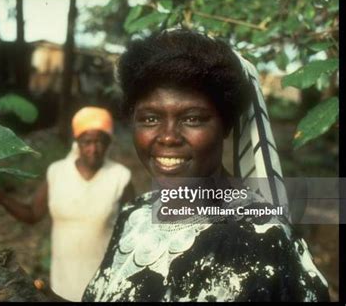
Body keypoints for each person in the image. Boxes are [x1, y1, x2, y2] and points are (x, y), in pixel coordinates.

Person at [79, 29, 330, 302]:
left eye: (193, 119)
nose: (167, 137)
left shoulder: (265, 240)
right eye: (150, 119)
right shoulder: (134, 215)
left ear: (226, 126)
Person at [0, 106, 135, 301]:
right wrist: (0, 197)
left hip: (105, 287)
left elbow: (133, 234)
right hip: (62, 287)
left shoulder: (120, 177)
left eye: (100, 142)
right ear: (77, 142)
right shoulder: (57, 173)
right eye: (87, 142)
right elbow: (33, 213)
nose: (93, 149)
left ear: (108, 142)